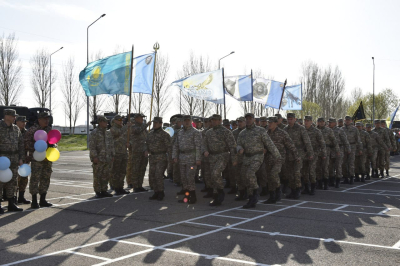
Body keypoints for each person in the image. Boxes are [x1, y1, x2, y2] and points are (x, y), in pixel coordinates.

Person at [237, 113, 281, 209]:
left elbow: (269, 144)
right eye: (247, 119)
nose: (248, 120)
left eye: (250, 118)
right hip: (247, 157)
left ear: (253, 120)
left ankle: (255, 193)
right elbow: (238, 144)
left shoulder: (260, 130)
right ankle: (251, 196)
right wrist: (239, 149)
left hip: (257, 156)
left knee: (250, 173)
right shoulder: (242, 133)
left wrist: (277, 156)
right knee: (245, 176)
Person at [202, 114, 237, 206]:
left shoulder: (226, 132)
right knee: (213, 176)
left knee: (215, 173)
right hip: (212, 156)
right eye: (212, 120)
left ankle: (220, 191)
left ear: (220, 120)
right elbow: (204, 144)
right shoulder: (208, 132)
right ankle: (216, 194)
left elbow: (232, 146)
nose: (214, 122)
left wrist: (234, 159)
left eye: (216, 120)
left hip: (222, 155)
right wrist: (205, 150)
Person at [264, 116, 298, 204]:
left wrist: (296, 156)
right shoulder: (266, 133)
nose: (269, 124)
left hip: (279, 157)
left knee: (274, 174)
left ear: (276, 123)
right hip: (268, 157)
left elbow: (291, 145)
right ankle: (272, 195)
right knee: (269, 176)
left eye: (271, 123)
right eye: (269, 122)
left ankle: (278, 192)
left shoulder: (282, 133)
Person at [25, 111, 54, 208]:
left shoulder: (49, 129)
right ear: (39, 120)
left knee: (46, 178)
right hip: (36, 158)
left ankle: (43, 199)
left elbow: (54, 141)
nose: (47, 121)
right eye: (45, 119)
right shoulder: (33, 130)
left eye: (47, 119)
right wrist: (36, 147)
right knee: (35, 178)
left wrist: (53, 145)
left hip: (47, 158)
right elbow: (26, 143)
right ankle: (34, 201)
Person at [282, 113, 313, 199]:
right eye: (288, 119)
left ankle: (298, 190)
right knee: (290, 173)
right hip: (289, 154)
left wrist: (310, 153)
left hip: (299, 154)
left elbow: (307, 142)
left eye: (291, 119)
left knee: (296, 172)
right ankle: (292, 190)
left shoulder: (300, 129)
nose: (289, 120)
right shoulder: (285, 129)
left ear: (295, 119)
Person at [172, 115, 202, 204]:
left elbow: (198, 146)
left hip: (191, 159)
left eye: (188, 120)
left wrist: (198, 159)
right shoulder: (180, 133)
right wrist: (175, 156)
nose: (186, 122)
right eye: (185, 121)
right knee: (183, 178)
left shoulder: (195, 132)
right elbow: (176, 146)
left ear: (191, 121)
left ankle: (193, 197)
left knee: (190, 177)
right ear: (182, 122)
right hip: (182, 158)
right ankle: (186, 196)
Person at [0, 109, 25, 213]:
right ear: (6, 116)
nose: (15, 118)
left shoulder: (16, 129)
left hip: (14, 158)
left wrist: (21, 158)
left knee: (13, 182)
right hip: (2, 158)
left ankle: (11, 204)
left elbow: (21, 144)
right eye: (13, 116)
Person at [146, 117, 172, 201]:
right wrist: (146, 150)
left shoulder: (165, 134)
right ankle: (156, 191)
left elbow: (169, 147)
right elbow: (146, 144)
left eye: (156, 123)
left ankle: (161, 192)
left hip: (161, 157)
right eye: (154, 123)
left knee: (158, 175)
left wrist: (171, 158)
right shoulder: (150, 134)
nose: (154, 124)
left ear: (161, 124)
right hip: (152, 157)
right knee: (152, 175)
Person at [89, 115, 115, 198]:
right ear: (100, 122)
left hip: (107, 158)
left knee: (105, 175)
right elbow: (92, 146)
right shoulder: (95, 132)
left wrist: (112, 155)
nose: (107, 123)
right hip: (99, 158)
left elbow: (111, 145)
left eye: (107, 121)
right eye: (105, 121)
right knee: (97, 175)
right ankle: (98, 191)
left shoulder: (108, 133)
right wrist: (94, 157)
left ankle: (104, 190)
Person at [303, 116, 326, 194]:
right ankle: (306, 188)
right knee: (304, 171)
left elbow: (322, 144)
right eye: (305, 120)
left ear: (311, 122)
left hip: (314, 153)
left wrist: (323, 153)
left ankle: (313, 187)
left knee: (311, 170)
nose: (306, 122)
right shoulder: (302, 130)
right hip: (304, 153)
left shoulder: (316, 131)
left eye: (308, 121)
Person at [129, 113, 151, 192]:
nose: (142, 119)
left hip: (144, 151)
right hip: (137, 151)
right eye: (140, 118)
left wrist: (147, 149)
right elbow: (137, 131)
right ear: (136, 119)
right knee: (136, 169)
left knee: (142, 169)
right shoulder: (133, 127)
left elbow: (146, 138)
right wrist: (146, 125)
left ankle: (140, 185)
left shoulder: (143, 128)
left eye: (142, 118)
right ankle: (135, 186)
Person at [316, 117, 340, 188]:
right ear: (317, 122)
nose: (321, 123)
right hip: (317, 150)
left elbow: (334, 141)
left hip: (326, 150)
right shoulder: (315, 130)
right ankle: (319, 183)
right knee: (318, 167)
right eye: (320, 121)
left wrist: (337, 150)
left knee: (325, 167)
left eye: (322, 122)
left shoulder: (328, 130)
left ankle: (326, 183)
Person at [110, 115, 130, 195]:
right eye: (119, 119)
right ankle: (116, 187)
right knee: (116, 172)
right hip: (117, 153)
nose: (121, 121)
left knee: (123, 172)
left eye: (122, 120)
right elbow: (118, 133)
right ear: (114, 121)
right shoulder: (113, 129)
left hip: (124, 153)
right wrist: (126, 127)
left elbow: (127, 138)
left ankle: (120, 187)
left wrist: (128, 143)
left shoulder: (123, 128)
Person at [341, 116, 362, 184]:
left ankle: (352, 177)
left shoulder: (355, 129)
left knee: (351, 163)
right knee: (343, 163)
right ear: (344, 120)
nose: (347, 121)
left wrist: (360, 149)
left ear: (351, 121)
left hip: (352, 146)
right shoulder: (341, 129)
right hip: (343, 147)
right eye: (346, 120)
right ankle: (345, 177)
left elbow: (358, 140)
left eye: (348, 120)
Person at [15, 115, 30, 204]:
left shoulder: (26, 133)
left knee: (24, 178)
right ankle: (12, 197)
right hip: (14, 158)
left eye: (25, 122)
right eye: (22, 122)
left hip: (24, 159)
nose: (24, 123)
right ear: (17, 122)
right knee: (15, 179)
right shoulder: (13, 131)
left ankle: (21, 197)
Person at [200, 117, 213, 198]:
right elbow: (201, 144)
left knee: (214, 174)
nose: (210, 123)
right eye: (208, 121)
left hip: (215, 156)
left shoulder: (218, 131)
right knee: (206, 174)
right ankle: (209, 188)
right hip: (205, 156)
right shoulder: (204, 132)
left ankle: (215, 190)